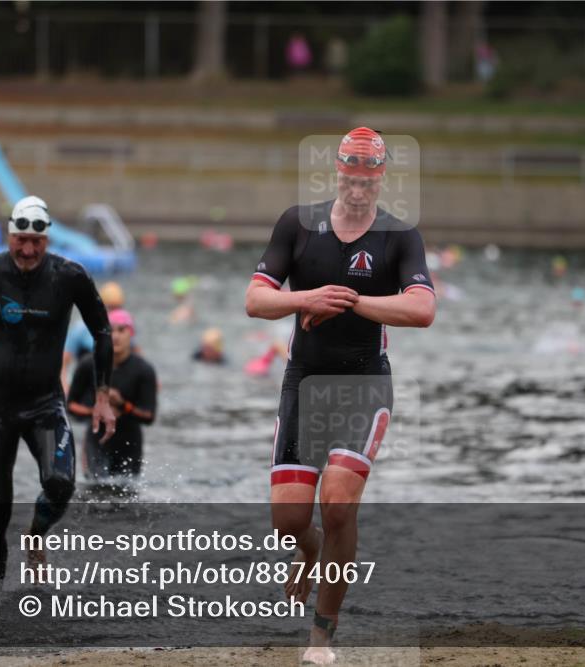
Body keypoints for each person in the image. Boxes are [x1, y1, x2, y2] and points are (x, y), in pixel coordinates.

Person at [245, 127, 436, 665]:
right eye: (350, 178)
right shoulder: (298, 224)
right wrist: (307, 297)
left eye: (368, 180)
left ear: (381, 178)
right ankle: (307, 553)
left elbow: (422, 309)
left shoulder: (400, 236)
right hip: (303, 383)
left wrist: (351, 303)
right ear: (337, 174)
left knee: (338, 505)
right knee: (288, 522)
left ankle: (321, 638)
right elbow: (255, 300)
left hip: (364, 385)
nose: (358, 190)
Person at [0, 195, 116, 582]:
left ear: (47, 240)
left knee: (61, 485)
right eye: (21, 241)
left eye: (37, 243)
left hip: (45, 402)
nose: (28, 250)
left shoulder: (70, 276)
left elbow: (102, 331)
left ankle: (35, 536)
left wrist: (101, 397)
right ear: (9, 235)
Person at [68, 309, 157, 480]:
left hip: (130, 442)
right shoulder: (88, 364)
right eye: (110, 330)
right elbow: (70, 405)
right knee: (94, 489)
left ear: (130, 334)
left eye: (121, 330)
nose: (115, 336)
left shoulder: (144, 370)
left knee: (127, 493)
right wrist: (95, 411)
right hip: (97, 441)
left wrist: (123, 406)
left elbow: (149, 416)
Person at [61, 281, 125, 389]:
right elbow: (63, 363)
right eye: (110, 308)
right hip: (86, 384)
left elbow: (135, 357)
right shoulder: (81, 329)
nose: (114, 313)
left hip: (114, 385)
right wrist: (65, 388)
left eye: (117, 308)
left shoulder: (124, 328)